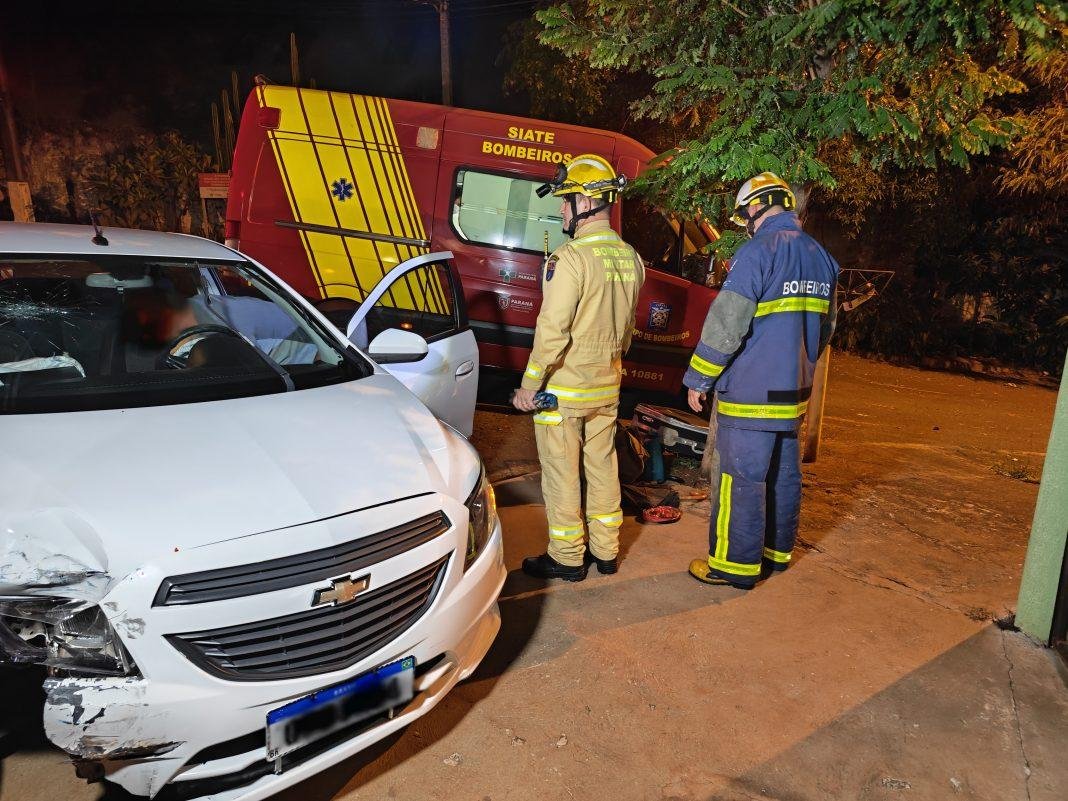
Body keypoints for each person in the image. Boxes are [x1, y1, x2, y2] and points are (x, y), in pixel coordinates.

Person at [684, 172, 839, 589]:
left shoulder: (757, 253)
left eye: (745, 215)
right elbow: (827, 328)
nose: (746, 224)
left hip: (751, 392)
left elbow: (727, 323)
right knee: (783, 475)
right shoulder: (822, 257)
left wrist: (700, 377)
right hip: (793, 393)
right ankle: (776, 554)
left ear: (756, 206)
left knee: (740, 478)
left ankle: (733, 566)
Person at [512, 154, 645, 581]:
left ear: (586, 202)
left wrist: (530, 384)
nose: (561, 209)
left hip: (562, 393)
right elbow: (626, 331)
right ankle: (607, 553)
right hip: (606, 387)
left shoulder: (569, 259)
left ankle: (568, 557)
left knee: (561, 474)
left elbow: (553, 328)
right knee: (604, 467)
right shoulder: (630, 258)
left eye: (566, 200)